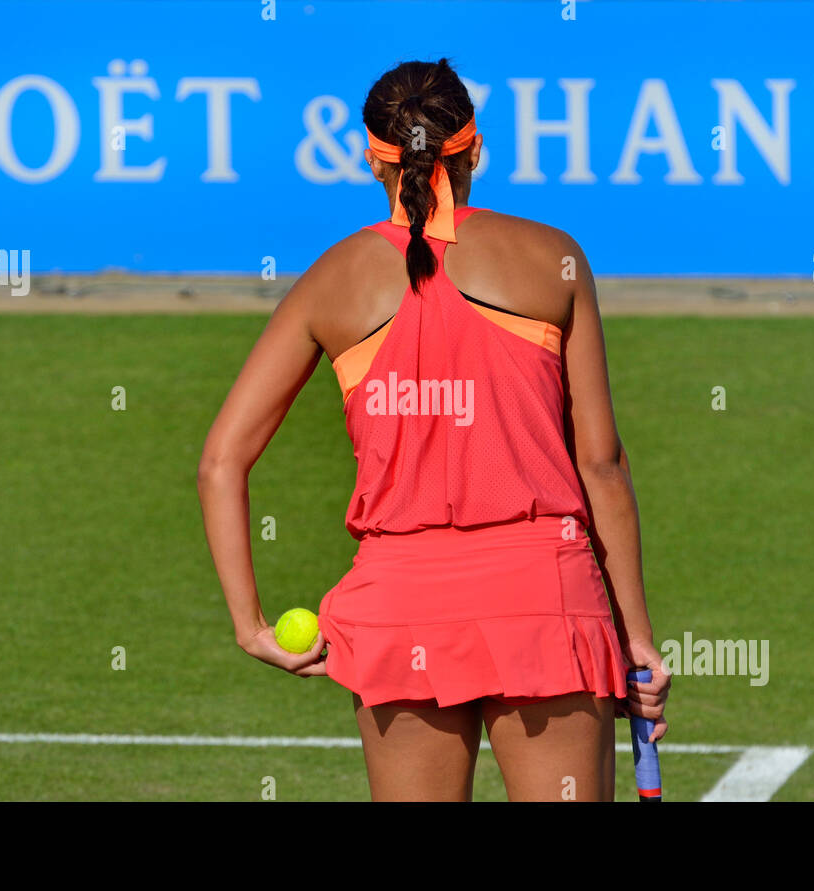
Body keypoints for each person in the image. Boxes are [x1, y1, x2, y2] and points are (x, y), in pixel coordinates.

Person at [198, 58, 669, 801]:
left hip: (398, 607)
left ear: (370, 157)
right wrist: (635, 636)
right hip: (545, 600)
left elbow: (222, 459)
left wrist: (249, 623)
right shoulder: (557, 258)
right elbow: (602, 466)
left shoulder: (332, 279)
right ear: (475, 149)